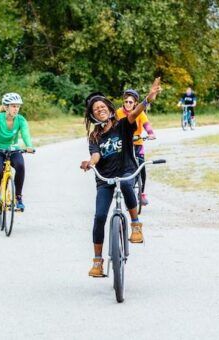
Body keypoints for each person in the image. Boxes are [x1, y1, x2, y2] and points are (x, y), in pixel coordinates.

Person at [80, 78, 162, 277]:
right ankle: (98, 262)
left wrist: (147, 99)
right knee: (99, 217)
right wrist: (90, 162)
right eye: (95, 109)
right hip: (105, 179)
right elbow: (96, 155)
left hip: (126, 170)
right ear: (92, 115)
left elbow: (135, 112)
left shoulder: (124, 125)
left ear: (109, 108)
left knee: (126, 184)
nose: (99, 109)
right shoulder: (94, 136)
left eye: (102, 106)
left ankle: (135, 224)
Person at [0, 93, 34, 212]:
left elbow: (26, 134)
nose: (16, 109)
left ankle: (18, 198)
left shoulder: (21, 120)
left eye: (18, 106)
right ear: (6, 107)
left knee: (20, 166)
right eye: (13, 106)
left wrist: (29, 146)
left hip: (13, 149)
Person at [115, 89, 156, 206]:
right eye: (126, 101)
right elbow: (113, 126)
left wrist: (150, 133)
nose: (128, 104)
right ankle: (116, 186)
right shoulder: (118, 112)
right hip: (123, 143)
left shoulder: (140, 113)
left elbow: (146, 124)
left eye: (130, 102)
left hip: (137, 143)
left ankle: (141, 193)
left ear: (135, 104)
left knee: (142, 165)